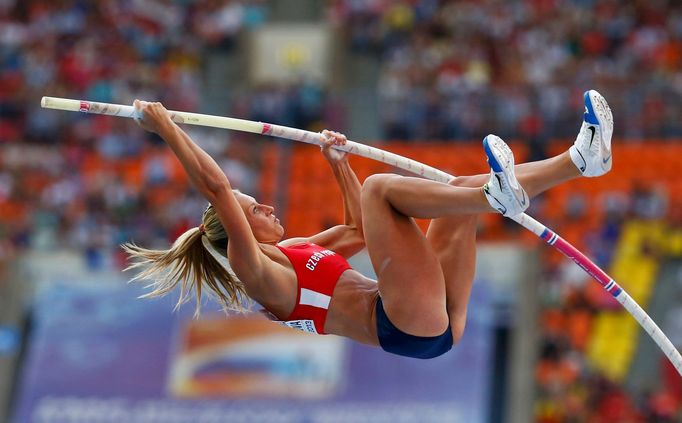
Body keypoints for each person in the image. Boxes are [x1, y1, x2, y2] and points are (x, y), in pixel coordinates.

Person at [124, 90, 613, 359]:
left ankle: (581, 159)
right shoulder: (253, 269)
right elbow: (215, 187)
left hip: (429, 320)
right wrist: (166, 126)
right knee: (382, 188)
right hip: (404, 324)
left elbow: (359, 230)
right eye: (256, 210)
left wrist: (336, 162)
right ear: (239, 227)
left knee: (461, 190)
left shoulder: (295, 248)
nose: (268, 209)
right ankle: (495, 197)